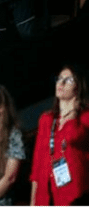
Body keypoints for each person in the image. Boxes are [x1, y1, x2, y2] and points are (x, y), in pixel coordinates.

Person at [31, 64, 89, 205]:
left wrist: (72, 113)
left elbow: (73, 137)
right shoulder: (46, 119)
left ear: (78, 87)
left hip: (75, 195)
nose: (61, 83)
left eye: (68, 80)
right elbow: (37, 166)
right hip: (45, 194)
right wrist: (33, 202)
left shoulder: (85, 118)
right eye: (59, 79)